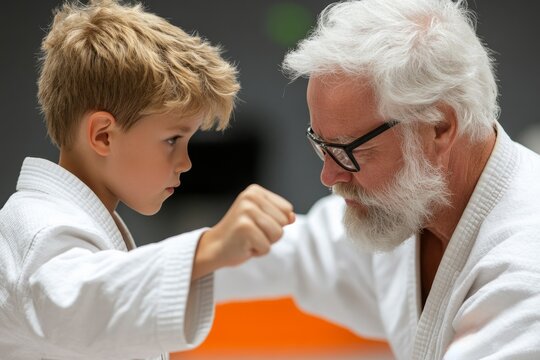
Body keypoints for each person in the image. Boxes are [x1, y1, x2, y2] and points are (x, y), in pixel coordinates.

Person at [215, 0, 540, 358]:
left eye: (347, 149)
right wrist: (199, 256)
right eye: (320, 144)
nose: (329, 174)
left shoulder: (525, 271)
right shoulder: (412, 207)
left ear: (439, 127)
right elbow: (299, 252)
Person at [0, 1, 295, 359]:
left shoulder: (64, 225)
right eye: (173, 140)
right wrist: (209, 247)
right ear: (103, 136)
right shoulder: (40, 231)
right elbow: (84, 303)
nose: (186, 163)